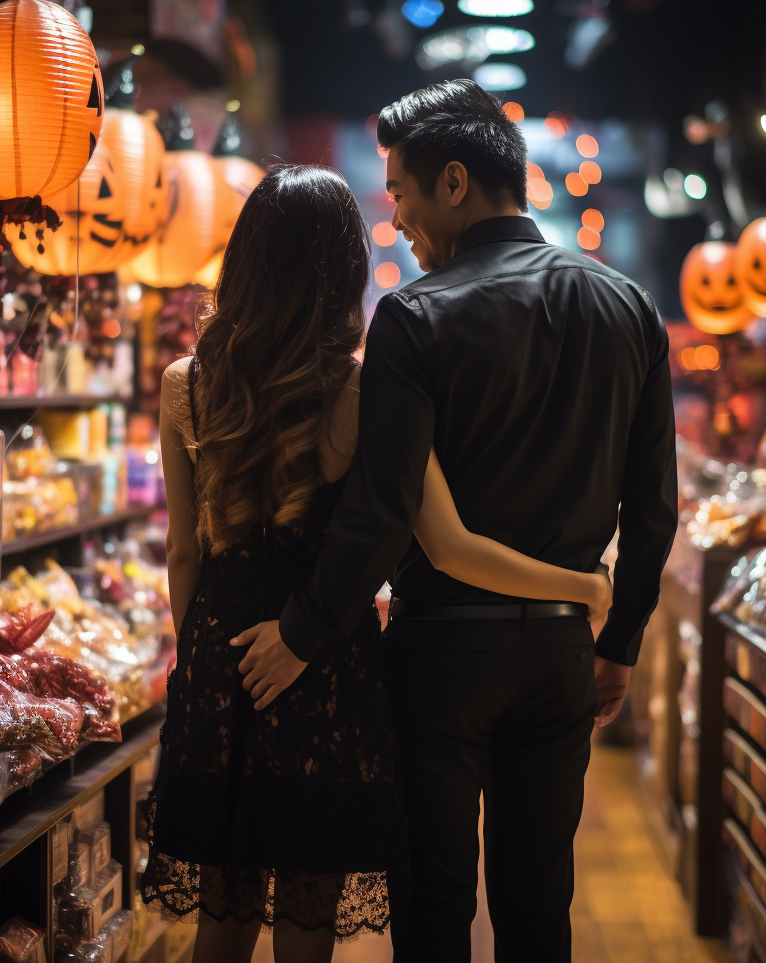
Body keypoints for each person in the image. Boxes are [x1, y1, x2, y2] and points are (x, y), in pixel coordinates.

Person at [239, 82, 679, 963]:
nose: (394, 217)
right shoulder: (630, 307)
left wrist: (304, 629)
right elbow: (655, 506)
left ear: (452, 182)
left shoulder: (414, 315)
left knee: (433, 912)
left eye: (398, 193)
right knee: (536, 908)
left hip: (438, 658)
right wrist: (619, 639)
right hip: (560, 652)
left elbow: (383, 506)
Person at [143, 162, 619, 963]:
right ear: (344, 273)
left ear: (245, 257)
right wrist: (584, 586)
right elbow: (447, 542)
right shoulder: (364, 395)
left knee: (216, 929)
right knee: (307, 926)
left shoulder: (186, 385)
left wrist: (205, 660)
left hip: (221, 662)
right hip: (324, 671)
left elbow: (183, 550)